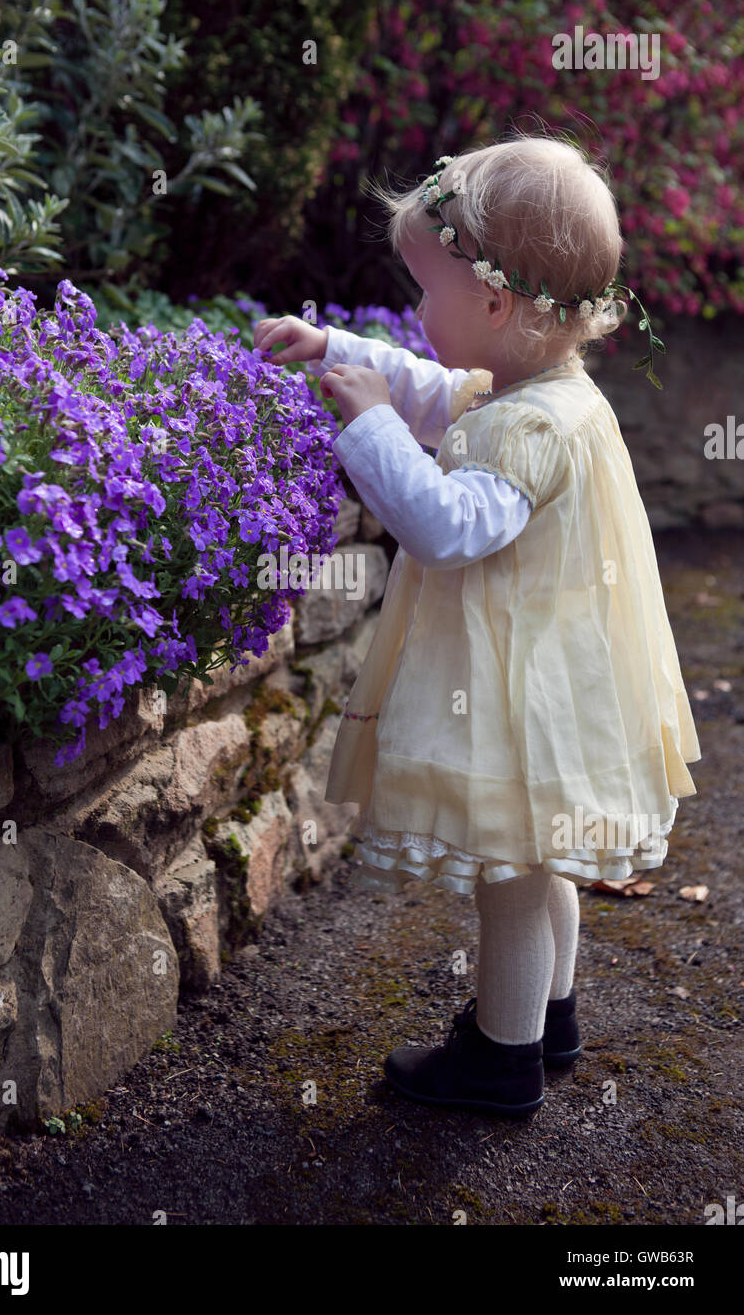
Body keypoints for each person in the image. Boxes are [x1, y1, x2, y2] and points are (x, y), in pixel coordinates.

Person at [252, 134, 701, 1118]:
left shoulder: (524, 426)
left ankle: (499, 1061)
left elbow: (447, 528)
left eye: (425, 292)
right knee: (538, 859)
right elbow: (431, 388)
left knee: (508, 874)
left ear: (494, 305)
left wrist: (366, 426)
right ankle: (548, 1016)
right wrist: (338, 353)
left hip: (511, 692)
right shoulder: (535, 387)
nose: (415, 315)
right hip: (547, 679)